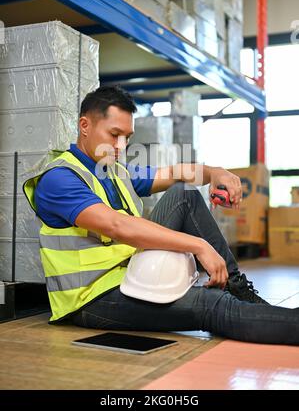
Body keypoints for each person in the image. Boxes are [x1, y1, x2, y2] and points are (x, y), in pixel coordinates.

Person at [23, 86, 299, 345]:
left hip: (131, 273)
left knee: (184, 195)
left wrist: (215, 172)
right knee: (211, 305)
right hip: (92, 297)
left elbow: (175, 174)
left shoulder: (114, 171)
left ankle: (237, 288)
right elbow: (117, 225)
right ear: (85, 126)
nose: (121, 146)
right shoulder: (60, 178)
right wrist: (199, 245)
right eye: (114, 134)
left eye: (127, 138)